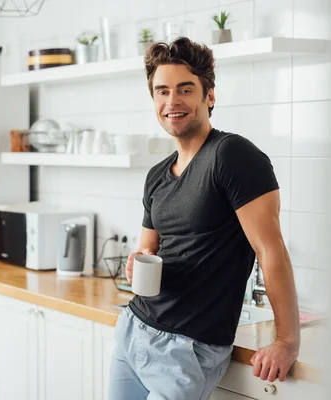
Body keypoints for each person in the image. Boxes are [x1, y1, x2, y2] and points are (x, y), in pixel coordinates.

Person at [108, 37, 301, 400]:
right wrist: (136, 264)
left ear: (209, 95)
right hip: (134, 330)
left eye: (185, 89)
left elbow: (270, 249)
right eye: (162, 91)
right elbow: (149, 250)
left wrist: (287, 340)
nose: (172, 101)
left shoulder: (232, 156)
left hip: (187, 349)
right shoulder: (157, 175)